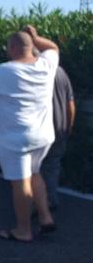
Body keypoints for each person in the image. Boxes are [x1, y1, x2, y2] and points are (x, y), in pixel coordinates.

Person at [0, 25, 57, 242]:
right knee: (35, 173)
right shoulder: (47, 65)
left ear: (12, 48)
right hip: (43, 135)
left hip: (15, 139)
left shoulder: (3, 70)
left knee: (20, 182)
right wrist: (36, 36)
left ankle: (23, 230)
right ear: (31, 46)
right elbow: (53, 47)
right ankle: (45, 217)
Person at [40, 66, 76, 211]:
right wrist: (69, 126)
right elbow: (70, 103)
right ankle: (51, 198)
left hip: (40, 128)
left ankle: (37, 202)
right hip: (60, 127)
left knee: (34, 168)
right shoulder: (61, 72)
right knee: (52, 166)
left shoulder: (32, 70)